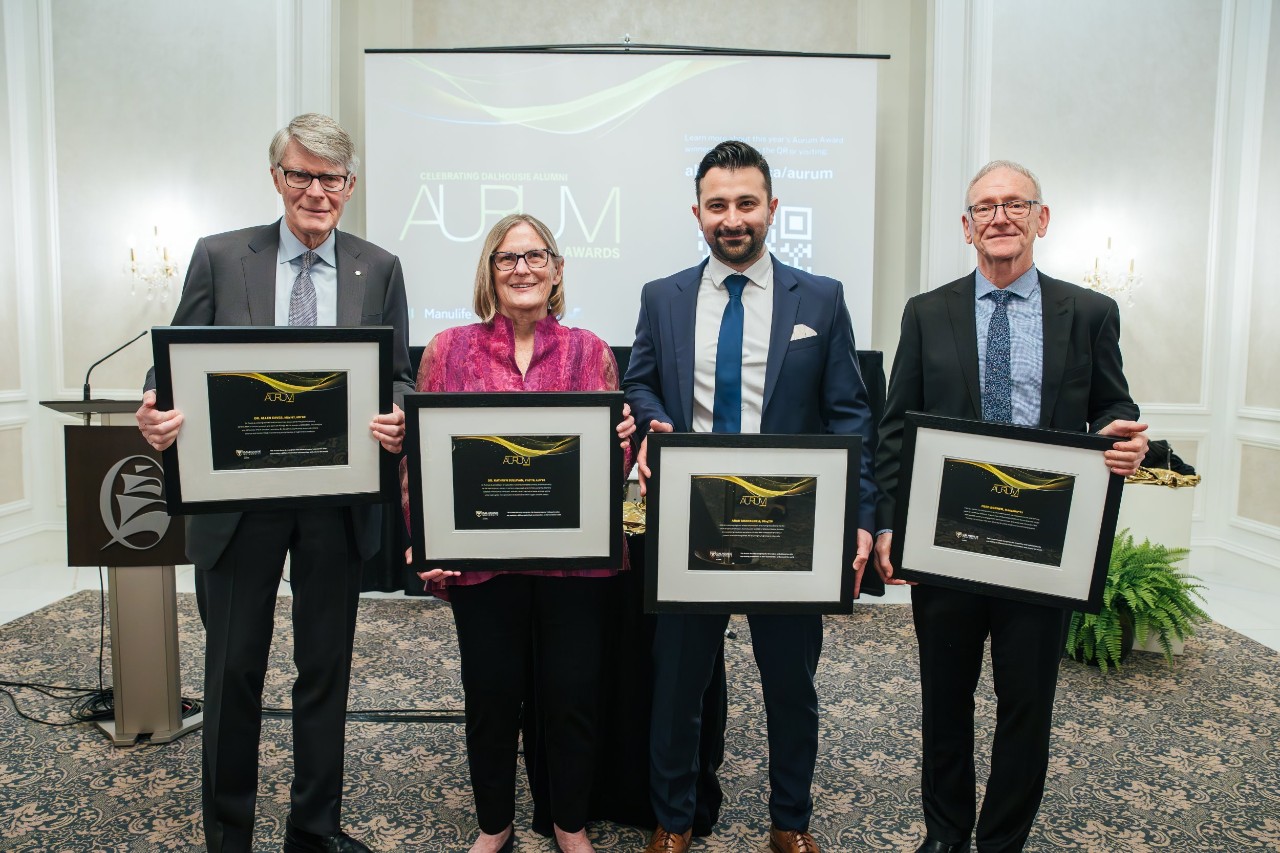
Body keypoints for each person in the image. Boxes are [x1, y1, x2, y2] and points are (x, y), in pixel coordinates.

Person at [135, 113, 412, 853]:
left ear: (349, 186)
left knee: (324, 672)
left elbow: (398, 375)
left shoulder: (380, 267)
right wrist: (156, 405)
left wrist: (397, 413)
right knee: (232, 672)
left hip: (336, 504)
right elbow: (172, 363)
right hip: (237, 503)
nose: (316, 192)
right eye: (301, 175)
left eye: (331, 179)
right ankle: (229, 837)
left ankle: (313, 830)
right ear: (276, 177)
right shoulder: (221, 257)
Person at [873, 160, 1149, 853]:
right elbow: (896, 428)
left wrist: (1124, 439)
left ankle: (1001, 842)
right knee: (945, 698)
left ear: (1041, 219)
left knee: (1027, 703)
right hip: (945, 543)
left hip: (1040, 546)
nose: (1000, 216)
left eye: (1015, 204)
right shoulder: (926, 312)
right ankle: (945, 833)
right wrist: (891, 526)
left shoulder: (1089, 313)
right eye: (985, 207)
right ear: (966, 228)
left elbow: (1112, 407)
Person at [623, 140, 879, 853]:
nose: (731, 219)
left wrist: (860, 518)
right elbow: (640, 379)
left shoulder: (819, 298)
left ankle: (789, 821)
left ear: (772, 208)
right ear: (697, 213)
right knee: (678, 684)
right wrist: (654, 420)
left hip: (789, 524)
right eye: (717, 205)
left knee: (790, 686)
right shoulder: (663, 296)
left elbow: (850, 416)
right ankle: (673, 820)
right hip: (690, 520)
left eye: (745, 203)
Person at [404, 213, 636, 853]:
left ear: (557, 270)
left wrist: (620, 442)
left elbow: (606, 467)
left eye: (536, 256)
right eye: (507, 258)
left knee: (572, 697)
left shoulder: (590, 351)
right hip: (480, 559)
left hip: (574, 562)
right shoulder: (448, 350)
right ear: (490, 271)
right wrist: (425, 538)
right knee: (490, 695)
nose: (522, 269)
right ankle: (494, 824)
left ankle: (569, 823)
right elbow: (419, 460)